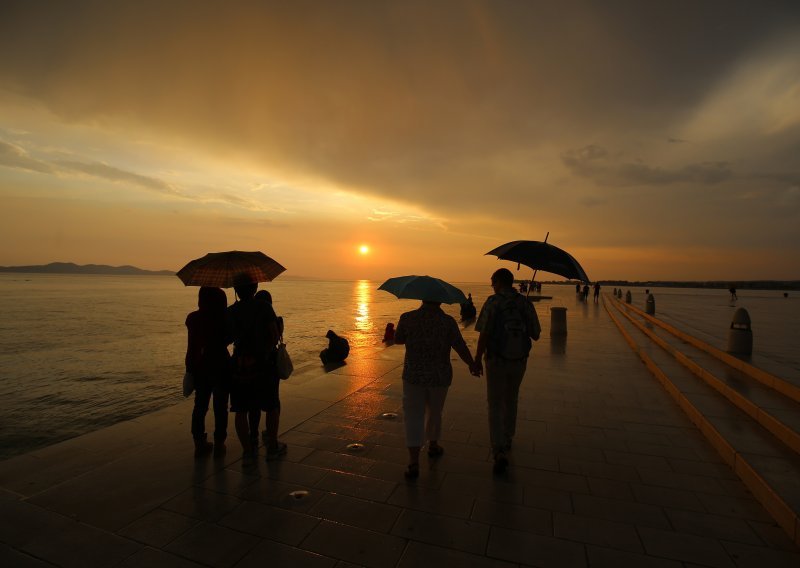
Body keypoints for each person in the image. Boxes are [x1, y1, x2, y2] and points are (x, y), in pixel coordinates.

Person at [394, 300, 476, 479]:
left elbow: (398, 339)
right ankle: (433, 445)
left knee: (413, 416)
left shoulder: (407, 318)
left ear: (422, 298)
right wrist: (472, 363)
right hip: (440, 376)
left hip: (413, 376)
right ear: (440, 300)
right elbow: (459, 345)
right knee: (435, 411)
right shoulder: (447, 322)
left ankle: (413, 461)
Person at [471, 268, 541, 474]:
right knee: (511, 398)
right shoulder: (524, 303)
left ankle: (498, 448)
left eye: (493, 281)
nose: (492, 285)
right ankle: (508, 437)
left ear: (500, 282)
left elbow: (484, 334)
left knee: (494, 403)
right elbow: (536, 334)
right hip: (519, 360)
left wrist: (477, 359)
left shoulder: (493, 302)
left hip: (495, 360)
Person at [227, 280, 284, 463]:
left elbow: (227, 338)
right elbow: (275, 336)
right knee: (271, 405)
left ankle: (248, 452)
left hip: (240, 366)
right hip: (264, 363)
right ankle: (273, 447)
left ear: (236, 289)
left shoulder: (231, 311)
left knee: (241, 409)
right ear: (255, 288)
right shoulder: (264, 307)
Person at [185, 286, 230, 458]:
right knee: (221, 407)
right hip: (221, 366)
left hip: (200, 366)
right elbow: (229, 338)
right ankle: (219, 444)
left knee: (200, 406)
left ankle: (199, 444)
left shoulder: (193, 319)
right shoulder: (224, 319)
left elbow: (192, 347)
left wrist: (189, 368)